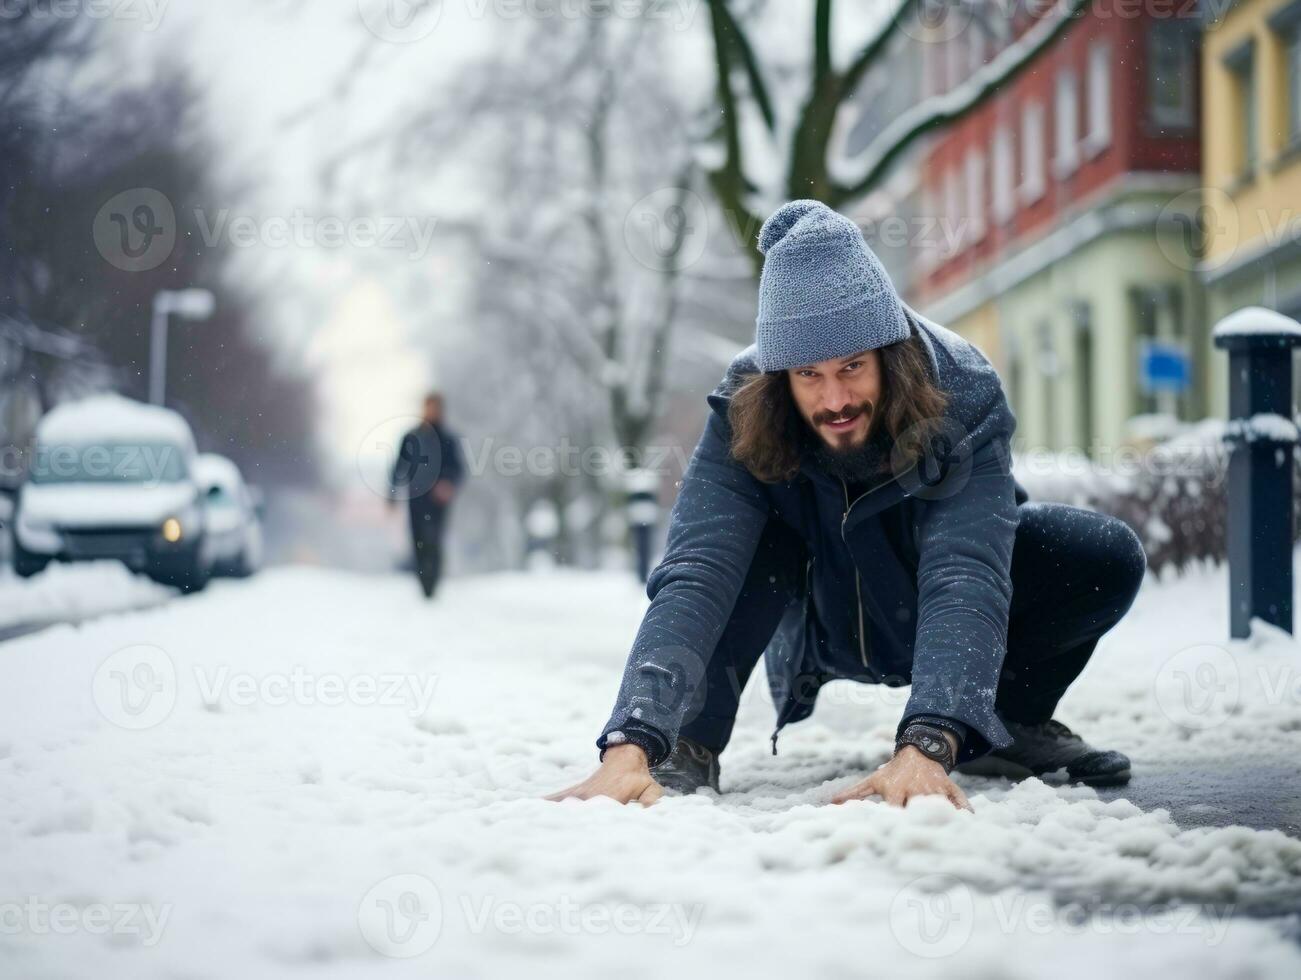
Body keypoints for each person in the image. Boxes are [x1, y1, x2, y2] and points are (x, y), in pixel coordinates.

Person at [548, 200, 1146, 809]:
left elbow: (966, 569)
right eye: (808, 375)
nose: (835, 398)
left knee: (1099, 554)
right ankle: (686, 743)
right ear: (780, 375)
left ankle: (999, 723)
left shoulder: (962, 393)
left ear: (889, 354)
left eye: (853, 367)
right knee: (732, 551)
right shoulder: (745, 407)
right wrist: (633, 739)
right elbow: (694, 572)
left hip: (932, 610)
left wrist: (932, 741)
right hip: (818, 618)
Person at [389, 393, 464, 598]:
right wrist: (392, 495)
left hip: (438, 502)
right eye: (428, 407)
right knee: (418, 541)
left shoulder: (448, 439)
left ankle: (433, 584)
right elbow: (398, 468)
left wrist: (448, 484)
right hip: (416, 499)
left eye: (435, 407)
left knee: (435, 540)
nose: (431, 411)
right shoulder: (411, 438)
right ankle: (423, 585)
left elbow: (458, 469)